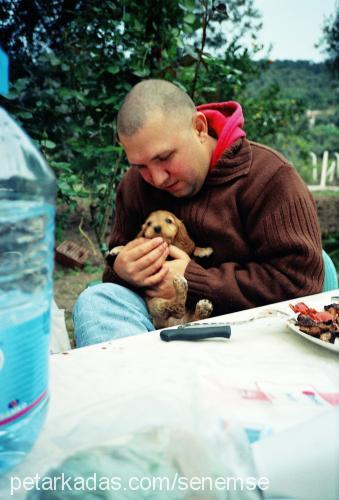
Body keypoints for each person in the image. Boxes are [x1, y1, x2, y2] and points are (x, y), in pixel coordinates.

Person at [73, 79, 324, 347]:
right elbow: (116, 268)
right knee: (95, 301)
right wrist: (122, 268)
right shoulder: (134, 185)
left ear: (199, 128)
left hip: (246, 332)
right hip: (158, 324)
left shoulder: (271, 178)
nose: (156, 178)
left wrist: (193, 281)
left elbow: (302, 284)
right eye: (140, 165)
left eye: (164, 157)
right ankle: (144, 382)